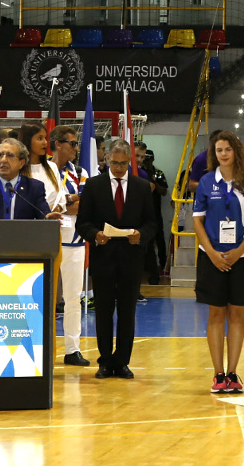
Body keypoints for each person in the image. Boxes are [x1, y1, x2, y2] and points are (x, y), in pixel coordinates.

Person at [76, 139, 156, 379]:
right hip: (103, 258)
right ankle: (104, 361)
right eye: (115, 163)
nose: (119, 168)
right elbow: (83, 222)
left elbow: (152, 223)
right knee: (103, 311)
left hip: (131, 259)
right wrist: (95, 235)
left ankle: (122, 361)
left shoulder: (142, 187)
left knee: (127, 312)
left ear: (129, 161)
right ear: (107, 160)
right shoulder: (93, 185)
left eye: (123, 164)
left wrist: (141, 235)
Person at [191, 132, 244, 393]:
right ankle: (218, 374)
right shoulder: (207, 182)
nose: (223, 154)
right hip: (212, 257)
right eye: (219, 150)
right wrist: (211, 253)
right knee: (216, 312)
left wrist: (239, 250)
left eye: (228, 149)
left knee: (237, 312)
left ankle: (233, 372)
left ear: (236, 152)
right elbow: (198, 219)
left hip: (241, 258)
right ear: (214, 154)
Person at [49, 125, 89, 367]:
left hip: (74, 240)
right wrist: (69, 200)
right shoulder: (42, 170)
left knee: (74, 298)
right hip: (46, 239)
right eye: (72, 144)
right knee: (43, 297)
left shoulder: (81, 172)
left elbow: (83, 205)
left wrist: (64, 202)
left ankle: (72, 349)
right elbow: (43, 204)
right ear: (58, 144)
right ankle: (42, 346)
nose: (76, 149)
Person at [137, 145, 170, 284]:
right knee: (144, 243)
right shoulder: (139, 171)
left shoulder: (158, 173)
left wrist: (154, 182)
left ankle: (161, 267)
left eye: (146, 158)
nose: (146, 161)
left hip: (154, 210)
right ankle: (146, 271)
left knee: (159, 240)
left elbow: (163, 191)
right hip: (140, 211)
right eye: (143, 158)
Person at [188, 130, 222, 194]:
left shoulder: (228, 158)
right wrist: (214, 186)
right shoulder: (201, 160)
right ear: (211, 144)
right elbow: (192, 186)